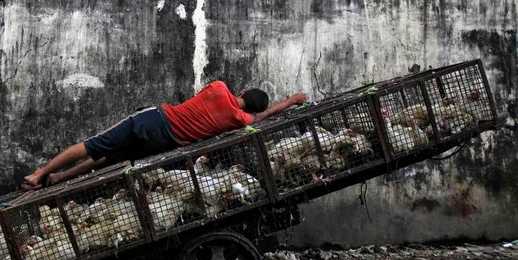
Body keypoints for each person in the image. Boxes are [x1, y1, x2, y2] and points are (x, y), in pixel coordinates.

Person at [21, 81, 307, 189]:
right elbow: (261, 117)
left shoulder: (219, 88)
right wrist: (292, 100)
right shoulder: (239, 120)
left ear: (242, 92)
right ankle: (59, 178)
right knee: (111, 159)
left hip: (155, 121)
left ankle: (39, 174)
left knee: (94, 145)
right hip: (163, 143)